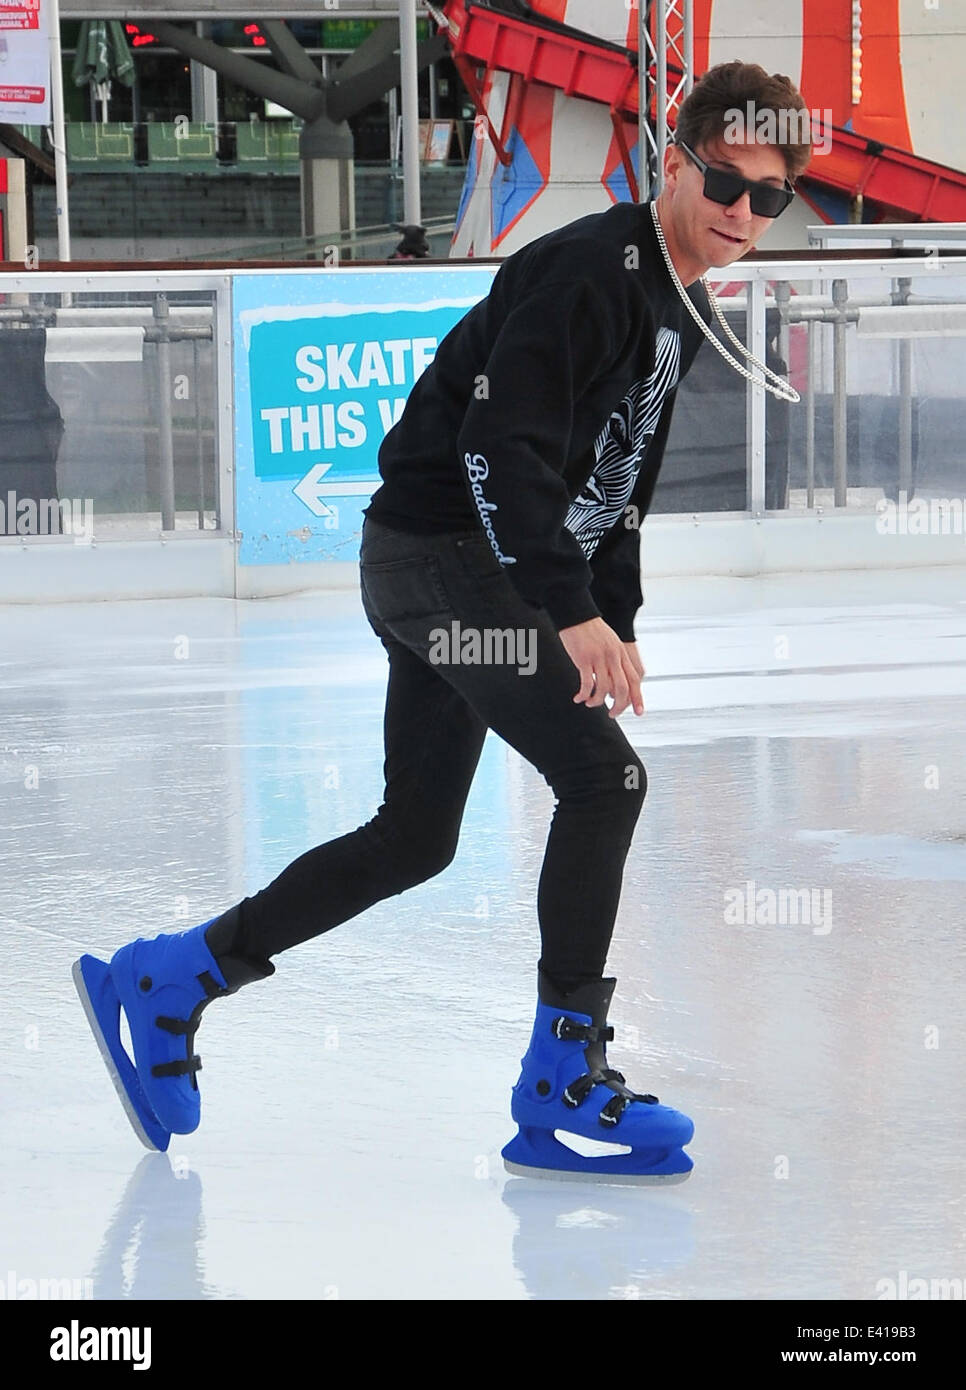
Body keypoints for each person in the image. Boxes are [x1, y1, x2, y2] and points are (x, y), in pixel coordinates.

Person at [74, 61, 812, 1182]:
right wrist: (565, 612)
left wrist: (611, 615)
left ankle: (173, 975)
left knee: (416, 836)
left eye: (771, 198)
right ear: (674, 164)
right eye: (725, 182)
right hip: (443, 562)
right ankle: (562, 1076)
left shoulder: (671, 297)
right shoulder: (590, 274)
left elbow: (616, 488)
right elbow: (496, 450)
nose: (744, 214)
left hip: (469, 572)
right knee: (605, 782)